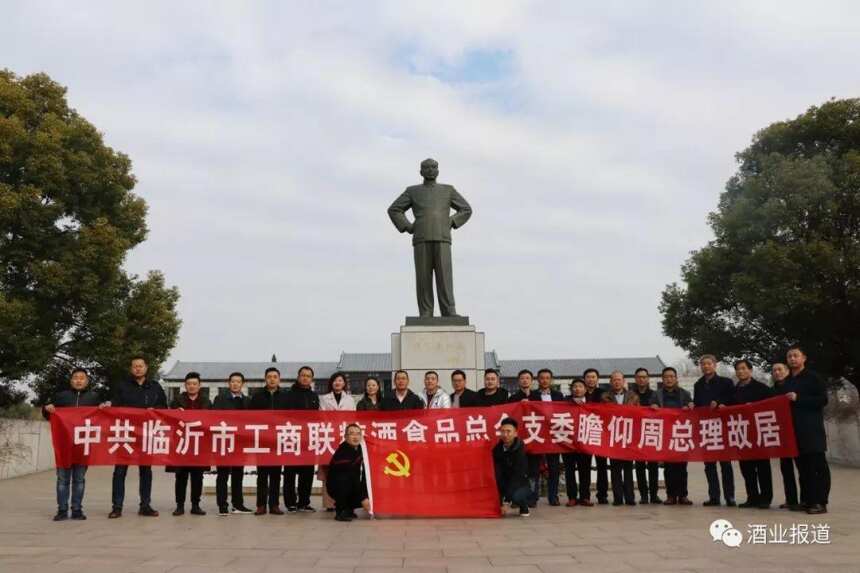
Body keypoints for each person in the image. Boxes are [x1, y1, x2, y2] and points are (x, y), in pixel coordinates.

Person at [387, 158, 473, 317]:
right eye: (426, 168)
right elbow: (394, 209)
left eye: (434, 167)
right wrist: (407, 226)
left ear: (438, 170)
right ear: (421, 172)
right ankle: (425, 312)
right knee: (423, 278)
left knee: (445, 277)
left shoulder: (448, 190)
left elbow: (466, 209)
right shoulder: (412, 191)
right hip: (421, 238)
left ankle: (449, 311)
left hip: (442, 238)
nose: (430, 170)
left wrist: (452, 221)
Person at [106, 356, 167, 519]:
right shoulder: (123, 386)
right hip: (125, 434)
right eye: (135, 366)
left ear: (146, 368)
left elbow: (164, 408)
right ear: (131, 369)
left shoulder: (155, 387)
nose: (138, 368)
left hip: (146, 434)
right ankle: (117, 507)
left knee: (146, 471)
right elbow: (114, 404)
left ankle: (145, 505)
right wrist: (108, 404)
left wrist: (156, 409)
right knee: (120, 471)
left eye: (141, 366)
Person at [42, 367, 103, 521]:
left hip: (83, 445)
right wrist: (46, 409)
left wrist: (104, 408)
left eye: (82, 378)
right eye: (75, 377)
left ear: (87, 381)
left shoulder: (94, 398)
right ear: (71, 380)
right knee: (62, 479)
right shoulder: (61, 397)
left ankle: (77, 510)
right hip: (64, 445)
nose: (78, 380)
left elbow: (103, 418)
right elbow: (49, 414)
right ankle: (62, 510)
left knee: (79, 479)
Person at [783, 345, 830, 515]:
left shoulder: (813, 378)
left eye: (795, 356)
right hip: (794, 432)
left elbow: (823, 400)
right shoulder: (788, 381)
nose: (792, 359)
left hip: (812, 430)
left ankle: (820, 502)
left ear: (804, 358)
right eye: (789, 356)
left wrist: (798, 398)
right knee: (803, 469)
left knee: (817, 467)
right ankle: (808, 500)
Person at [694, 354, 736, 507]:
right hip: (707, 429)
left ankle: (730, 496)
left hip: (723, 427)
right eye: (703, 364)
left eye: (708, 364)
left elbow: (732, 399)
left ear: (715, 365)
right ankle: (714, 496)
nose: (706, 366)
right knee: (709, 465)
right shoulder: (698, 384)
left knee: (726, 464)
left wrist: (720, 403)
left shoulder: (726, 382)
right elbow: (698, 405)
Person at [731, 359, 774, 509]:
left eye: (743, 368)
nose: (740, 371)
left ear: (750, 370)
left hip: (759, 433)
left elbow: (772, 407)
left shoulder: (762, 388)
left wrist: (755, 408)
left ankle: (766, 498)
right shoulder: (734, 391)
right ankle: (752, 497)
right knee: (746, 468)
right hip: (742, 434)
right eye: (738, 369)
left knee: (763, 467)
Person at [168, 372, 211, 516]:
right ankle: (179, 505)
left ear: (199, 386)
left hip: (199, 444)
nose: (192, 386)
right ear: (185, 385)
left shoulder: (206, 401)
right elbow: (169, 419)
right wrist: (176, 412)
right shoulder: (177, 400)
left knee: (198, 476)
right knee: (181, 476)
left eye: (194, 384)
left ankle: (195, 505)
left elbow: (210, 420)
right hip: (182, 444)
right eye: (189, 384)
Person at [212, 371, 253, 516]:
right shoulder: (220, 399)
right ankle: (222, 505)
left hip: (240, 443)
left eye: (238, 381)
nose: (235, 384)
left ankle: (238, 504)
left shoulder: (248, 401)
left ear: (243, 384)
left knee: (238, 474)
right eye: (232, 381)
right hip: (224, 442)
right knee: (222, 475)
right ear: (228, 383)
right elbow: (215, 419)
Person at [249, 366, 288, 515]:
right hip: (262, 440)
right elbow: (251, 418)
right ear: (265, 379)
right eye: (269, 376)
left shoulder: (285, 396)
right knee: (262, 475)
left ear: (279, 379)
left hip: (278, 440)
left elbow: (291, 417)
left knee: (276, 475)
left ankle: (274, 505)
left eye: (275, 377)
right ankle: (260, 505)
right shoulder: (257, 396)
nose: (272, 379)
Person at [654, 366, 694, 506]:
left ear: (676, 378)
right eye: (666, 377)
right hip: (665, 435)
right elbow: (649, 411)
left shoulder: (685, 393)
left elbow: (692, 410)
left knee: (682, 467)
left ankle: (683, 495)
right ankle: (670, 495)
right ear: (662, 379)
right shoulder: (657, 395)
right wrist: (653, 407)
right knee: (669, 468)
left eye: (672, 376)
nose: (669, 379)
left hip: (681, 435)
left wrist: (689, 407)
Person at [283, 365, 321, 513]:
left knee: (307, 472)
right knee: (290, 473)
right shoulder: (289, 395)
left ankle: (304, 502)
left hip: (308, 439)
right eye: (303, 375)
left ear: (311, 379)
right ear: (298, 377)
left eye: (308, 376)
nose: (305, 378)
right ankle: (290, 503)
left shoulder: (314, 396)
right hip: (291, 438)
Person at [319, 372, 356, 511]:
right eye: (335, 380)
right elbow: (321, 416)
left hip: (344, 438)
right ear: (331, 383)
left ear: (344, 383)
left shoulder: (350, 400)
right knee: (328, 471)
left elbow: (353, 418)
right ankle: (329, 503)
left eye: (340, 380)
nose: (337, 383)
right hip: (328, 437)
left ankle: (346, 501)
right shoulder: (324, 399)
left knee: (345, 470)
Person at [602, 370, 639, 506]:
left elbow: (639, 414)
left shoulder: (633, 396)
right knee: (615, 469)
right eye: (614, 380)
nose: (617, 382)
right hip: (612, 436)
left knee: (628, 469)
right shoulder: (605, 396)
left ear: (624, 381)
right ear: (611, 382)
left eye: (619, 379)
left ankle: (630, 497)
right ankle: (618, 498)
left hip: (628, 436)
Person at [527, 369, 564, 506]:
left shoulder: (558, 395)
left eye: (547, 378)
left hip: (553, 436)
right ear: (538, 380)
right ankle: (532, 497)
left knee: (554, 468)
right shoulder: (531, 396)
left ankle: (553, 496)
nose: (544, 380)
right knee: (533, 469)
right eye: (542, 378)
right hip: (536, 435)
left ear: (551, 380)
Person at [771, 362, 802, 510]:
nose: (777, 372)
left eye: (780, 369)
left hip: (796, 431)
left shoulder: (794, 386)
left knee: (802, 468)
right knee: (786, 469)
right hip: (780, 433)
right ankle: (791, 499)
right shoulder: (772, 390)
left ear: (787, 371)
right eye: (774, 370)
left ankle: (805, 499)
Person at [327, 424, 371, 522]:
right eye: (351, 434)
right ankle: (341, 510)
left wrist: (366, 493)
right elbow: (350, 477)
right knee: (345, 480)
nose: (355, 437)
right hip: (337, 487)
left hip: (352, 484)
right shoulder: (343, 452)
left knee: (367, 481)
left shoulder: (360, 449)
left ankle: (349, 509)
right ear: (345, 437)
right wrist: (363, 497)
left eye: (358, 434)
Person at [631, 367, 661, 504]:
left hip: (652, 433)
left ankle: (654, 495)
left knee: (653, 466)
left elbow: (664, 412)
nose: (642, 379)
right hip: (636, 434)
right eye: (639, 377)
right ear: (635, 379)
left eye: (644, 377)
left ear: (648, 379)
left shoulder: (655, 394)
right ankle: (643, 495)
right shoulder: (630, 395)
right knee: (640, 466)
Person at [492, 418, 531, 517]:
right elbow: (496, 473)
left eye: (508, 431)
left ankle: (523, 505)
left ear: (515, 433)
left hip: (520, 483)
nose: (505, 434)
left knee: (516, 495)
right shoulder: (497, 450)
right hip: (504, 483)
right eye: (503, 431)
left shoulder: (520, 451)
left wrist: (506, 502)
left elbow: (517, 476)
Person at [583, 368, 608, 504]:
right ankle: (585, 495)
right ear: (584, 379)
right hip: (584, 435)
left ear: (597, 379)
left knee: (602, 466)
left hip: (600, 434)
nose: (590, 379)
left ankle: (602, 494)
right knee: (585, 466)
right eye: (588, 377)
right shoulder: (580, 392)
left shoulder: (604, 394)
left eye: (593, 377)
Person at [564, 379, 591, 507]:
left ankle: (585, 497)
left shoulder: (592, 404)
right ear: (571, 389)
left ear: (585, 389)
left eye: (580, 386)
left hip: (585, 442)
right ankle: (572, 497)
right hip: (568, 442)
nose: (577, 389)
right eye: (574, 387)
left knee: (585, 470)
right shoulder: (564, 403)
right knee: (569, 471)